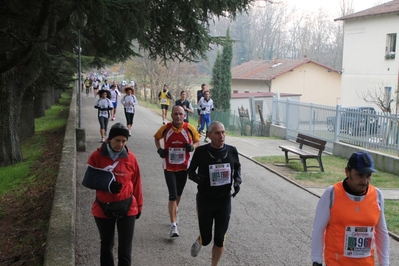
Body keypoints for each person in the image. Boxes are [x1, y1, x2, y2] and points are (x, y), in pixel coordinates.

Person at [311, 151, 390, 266]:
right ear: (347, 172)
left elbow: (382, 232)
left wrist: (385, 263)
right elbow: (318, 229)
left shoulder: (377, 195)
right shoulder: (332, 194)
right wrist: (316, 260)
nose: (364, 181)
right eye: (360, 175)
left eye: (368, 176)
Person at [82, 123, 143, 266]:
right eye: (117, 140)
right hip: (103, 208)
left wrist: (139, 207)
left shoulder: (131, 158)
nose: (120, 144)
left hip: (128, 207)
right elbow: (89, 180)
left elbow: (137, 183)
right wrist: (107, 185)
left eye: (123, 141)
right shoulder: (97, 156)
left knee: (125, 250)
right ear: (109, 139)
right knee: (106, 246)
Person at [188, 121, 241, 266]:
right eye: (217, 133)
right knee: (207, 240)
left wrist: (237, 180)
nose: (222, 136)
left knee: (219, 239)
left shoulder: (232, 151)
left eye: (223, 132)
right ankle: (201, 240)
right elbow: (190, 171)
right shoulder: (201, 152)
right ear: (209, 135)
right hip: (205, 201)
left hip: (224, 201)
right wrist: (196, 178)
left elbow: (237, 167)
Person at [153, 105, 200, 238]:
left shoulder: (189, 128)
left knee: (179, 193)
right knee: (172, 195)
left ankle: (175, 210)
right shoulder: (166, 128)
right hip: (169, 167)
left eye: (181, 114)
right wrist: (159, 149)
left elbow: (197, 141)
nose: (178, 116)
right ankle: (173, 226)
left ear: (184, 115)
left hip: (184, 167)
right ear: (171, 115)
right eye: (176, 114)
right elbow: (156, 138)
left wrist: (192, 147)